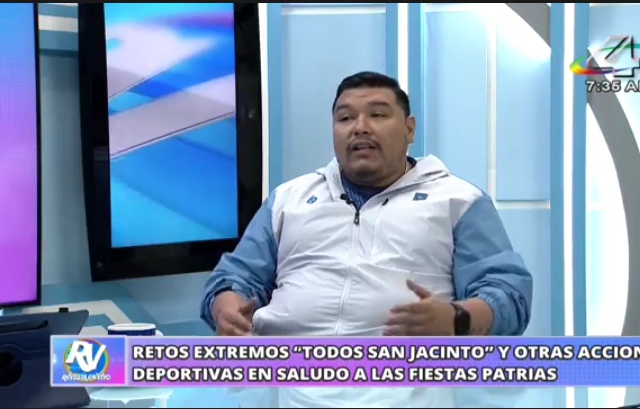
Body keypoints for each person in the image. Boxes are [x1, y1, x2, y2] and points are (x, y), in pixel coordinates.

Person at [201, 71, 533, 408]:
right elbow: (235, 277)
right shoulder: (289, 199)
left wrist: (455, 319)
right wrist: (227, 308)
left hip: (407, 393)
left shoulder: (457, 200)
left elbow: (508, 293)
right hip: (283, 388)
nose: (360, 127)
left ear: (409, 129)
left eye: (377, 114)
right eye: (345, 118)